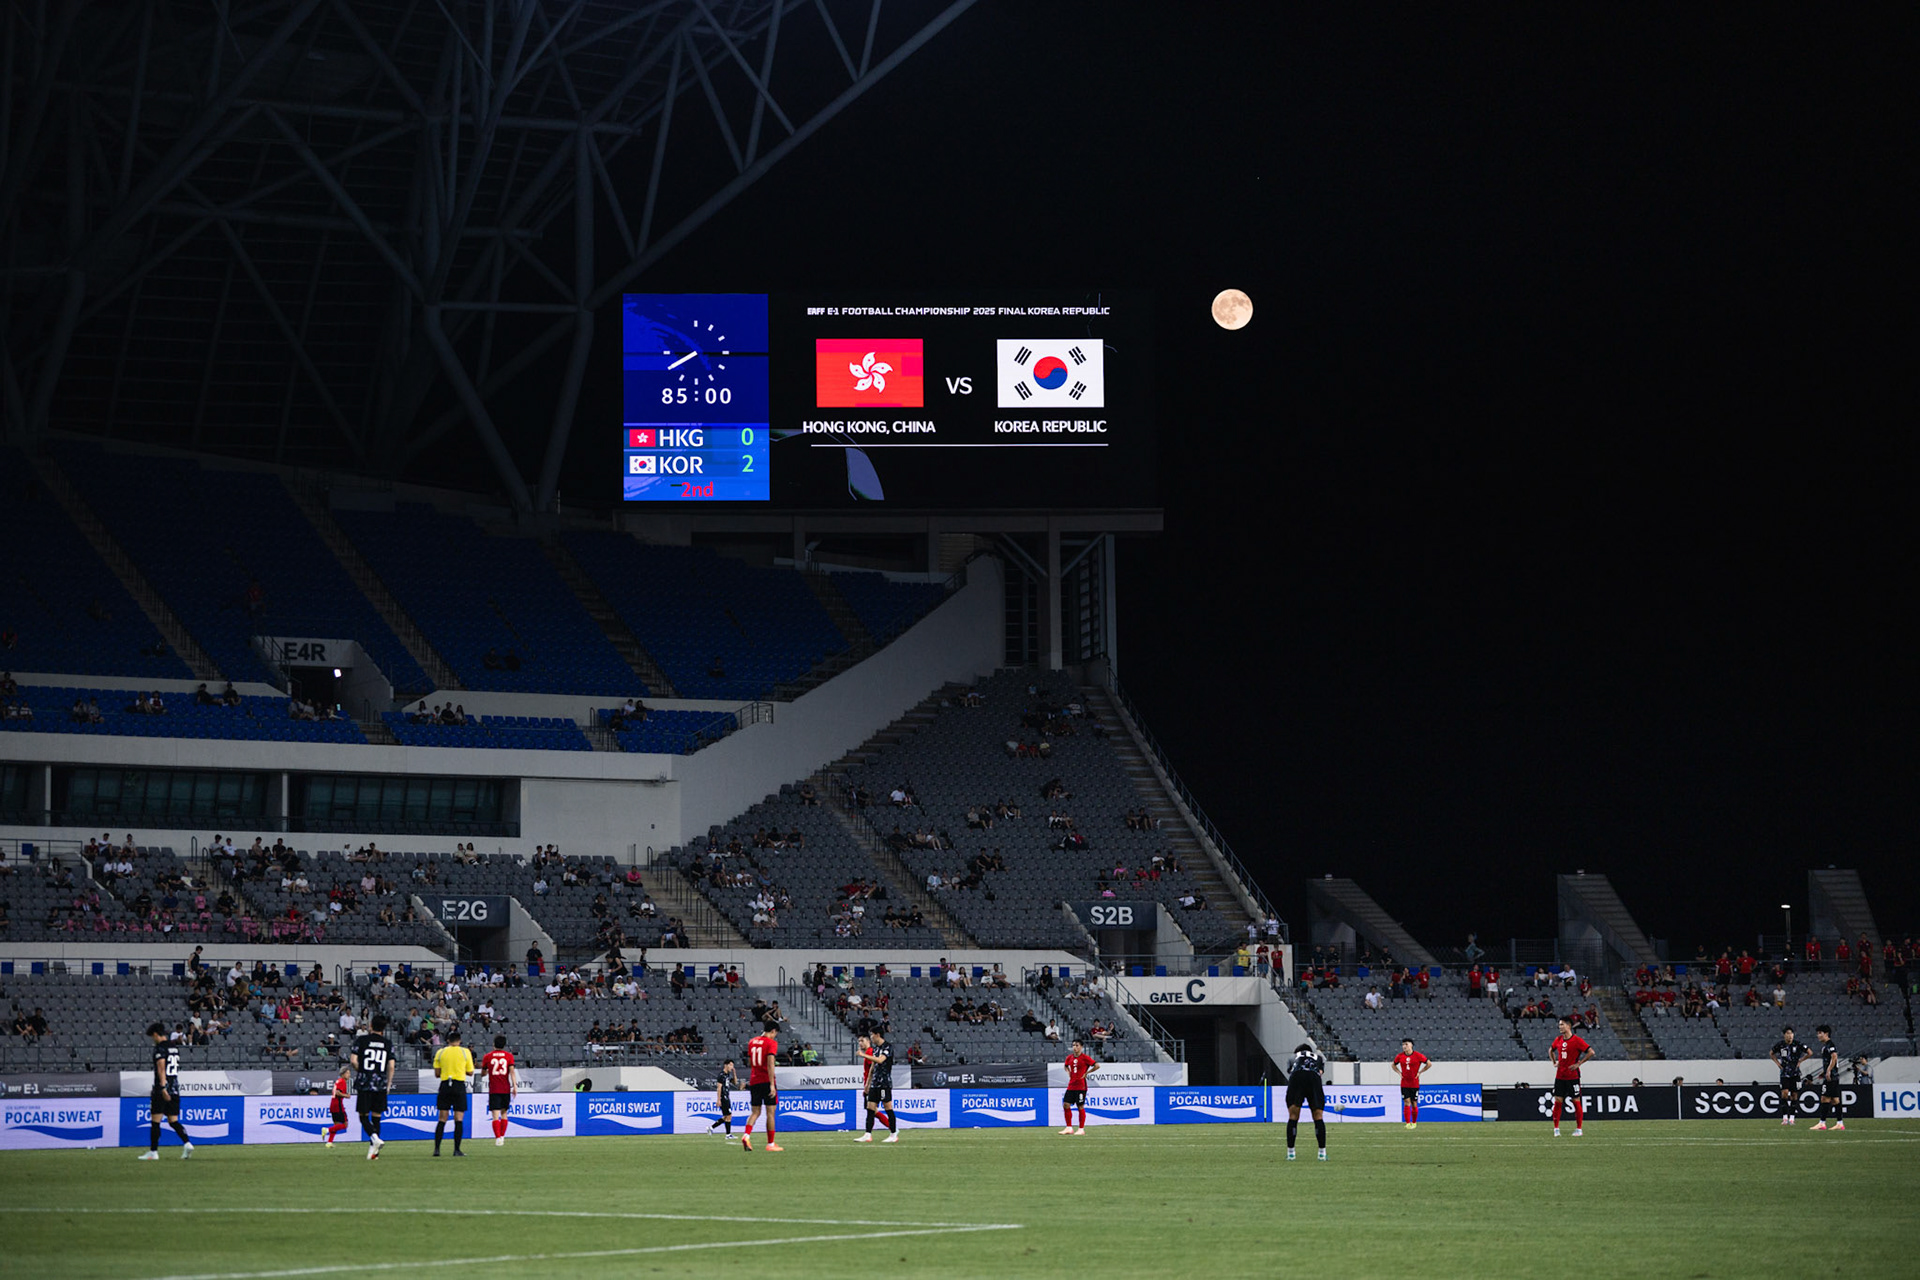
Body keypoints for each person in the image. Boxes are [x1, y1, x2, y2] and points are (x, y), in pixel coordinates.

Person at [138, 1023, 194, 1160]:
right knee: (173, 1120)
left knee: (155, 1121)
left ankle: (153, 1152)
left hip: (162, 1089)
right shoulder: (174, 1047)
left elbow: (161, 1068)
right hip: (175, 1087)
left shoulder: (160, 1048)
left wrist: (162, 1087)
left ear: (156, 1034)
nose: (153, 1040)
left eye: (153, 1037)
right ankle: (187, 1143)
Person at [352, 1014, 397, 1161]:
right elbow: (391, 1066)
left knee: (363, 1116)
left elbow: (353, 1061)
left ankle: (374, 1139)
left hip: (365, 1082)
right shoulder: (388, 1043)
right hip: (380, 1083)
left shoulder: (362, 1040)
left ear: (371, 1025)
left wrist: (362, 1071)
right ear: (384, 1028)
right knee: (377, 1116)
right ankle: (374, 1153)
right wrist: (388, 1084)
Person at [431, 1027, 474, 1156]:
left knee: (442, 1118)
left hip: (445, 1085)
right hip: (458, 1085)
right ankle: (456, 1150)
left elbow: (437, 1074)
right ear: (459, 1041)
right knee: (458, 1119)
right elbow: (471, 1072)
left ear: (448, 1040)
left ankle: (437, 1149)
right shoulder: (466, 1052)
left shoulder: (440, 1052)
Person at [1282, 1042, 1329, 1161]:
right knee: (1318, 1116)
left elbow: (1290, 1071)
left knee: (1293, 1116)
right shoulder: (1318, 1057)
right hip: (1313, 1077)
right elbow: (1320, 1073)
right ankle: (1322, 1154)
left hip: (1297, 1076)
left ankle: (1291, 1153)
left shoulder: (1293, 1057)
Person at [741, 1022, 782, 1152]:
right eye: (776, 1034)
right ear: (773, 1031)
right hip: (766, 1080)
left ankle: (746, 1135)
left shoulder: (752, 1041)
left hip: (754, 1080)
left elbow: (750, 1062)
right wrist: (771, 1085)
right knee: (770, 1113)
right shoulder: (771, 1043)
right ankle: (770, 1144)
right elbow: (770, 1065)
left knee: (755, 1112)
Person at [1549, 1017, 1593, 1137]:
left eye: (1562, 1024)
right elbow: (1550, 1050)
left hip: (1573, 1077)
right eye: (1559, 1025)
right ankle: (1556, 1129)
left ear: (1568, 1026)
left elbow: (1591, 1052)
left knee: (1576, 1101)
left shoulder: (1577, 1040)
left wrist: (1579, 1063)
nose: (1560, 1027)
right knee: (1558, 1102)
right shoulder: (1558, 1039)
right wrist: (1554, 1062)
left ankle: (1579, 1129)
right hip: (1560, 1076)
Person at [856, 1029, 899, 1143]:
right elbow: (872, 1067)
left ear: (877, 1034)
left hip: (884, 1083)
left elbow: (880, 1060)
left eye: (872, 1035)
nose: (871, 1038)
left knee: (888, 1108)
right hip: (875, 1083)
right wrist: (868, 1083)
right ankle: (867, 1134)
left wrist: (863, 1055)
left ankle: (893, 1134)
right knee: (870, 1108)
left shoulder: (887, 1047)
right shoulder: (875, 1049)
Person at [480, 1034, 519, 1146]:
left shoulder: (487, 1056)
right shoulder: (509, 1056)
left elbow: (483, 1073)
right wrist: (514, 1086)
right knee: (504, 1113)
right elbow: (512, 1072)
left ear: (494, 1044)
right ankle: (502, 1136)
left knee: (495, 1115)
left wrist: (485, 1072)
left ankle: (497, 1137)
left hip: (494, 1089)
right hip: (505, 1088)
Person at [1770, 1026, 1809, 1126]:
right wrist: (1778, 1064)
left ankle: (1792, 1118)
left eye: (1791, 1033)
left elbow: (1810, 1052)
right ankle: (1784, 1118)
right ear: (1784, 1035)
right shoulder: (1780, 1045)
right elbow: (1771, 1053)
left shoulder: (1798, 1044)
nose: (1790, 1035)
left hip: (1795, 1073)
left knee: (1794, 1095)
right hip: (1784, 1073)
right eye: (1788, 1033)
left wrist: (1801, 1060)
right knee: (1784, 1093)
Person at [1061, 1038, 1099, 1135]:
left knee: (1080, 1106)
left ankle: (1081, 1129)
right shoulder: (1069, 1058)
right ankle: (1069, 1128)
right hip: (1071, 1085)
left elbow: (1097, 1065)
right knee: (1066, 1104)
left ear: (1081, 1047)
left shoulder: (1085, 1057)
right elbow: (1065, 1066)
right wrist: (1068, 1072)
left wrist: (1087, 1073)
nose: (1075, 1047)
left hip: (1081, 1086)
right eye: (1073, 1045)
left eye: (1077, 1045)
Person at [1809, 1025, 1844, 1132]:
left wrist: (1828, 1071)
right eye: (1818, 1033)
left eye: (1820, 1033)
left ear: (1826, 1034)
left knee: (1825, 1098)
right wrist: (1824, 1071)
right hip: (1832, 1076)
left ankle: (1822, 1123)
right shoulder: (1826, 1046)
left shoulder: (1830, 1045)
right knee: (1835, 1100)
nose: (1818, 1035)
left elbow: (1834, 1057)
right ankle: (1839, 1123)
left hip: (1831, 1077)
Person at [1393, 1038, 1431, 1127]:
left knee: (1414, 1103)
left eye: (1406, 1044)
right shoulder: (1400, 1056)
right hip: (1404, 1083)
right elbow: (1393, 1065)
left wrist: (1420, 1072)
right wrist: (1399, 1073)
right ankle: (1407, 1123)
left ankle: (1414, 1123)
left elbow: (1429, 1063)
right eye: (1403, 1045)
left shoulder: (1418, 1055)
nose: (1404, 1046)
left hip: (1414, 1083)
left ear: (1411, 1045)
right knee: (1406, 1102)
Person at [323, 1065, 352, 1147]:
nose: (349, 1075)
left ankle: (329, 1142)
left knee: (336, 1125)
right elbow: (337, 1093)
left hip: (333, 1105)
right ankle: (327, 1130)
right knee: (345, 1124)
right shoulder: (342, 1081)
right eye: (348, 1073)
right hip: (338, 1105)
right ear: (343, 1074)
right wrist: (346, 1096)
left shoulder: (338, 1081)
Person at [708, 1060, 738, 1137]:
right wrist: (718, 1099)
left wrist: (734, 1073)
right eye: (731, 1065)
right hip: (723, 1097)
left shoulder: (728, 1075)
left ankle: (711, 1127)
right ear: (726, 1065)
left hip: (727, 1096)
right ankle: (728, 1134)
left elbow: (735, 1083)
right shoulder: (721, 1075)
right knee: (729, 1115)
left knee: (726, 1117)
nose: (732, 1067)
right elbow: (719, 1087)